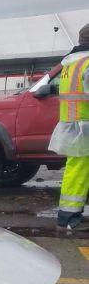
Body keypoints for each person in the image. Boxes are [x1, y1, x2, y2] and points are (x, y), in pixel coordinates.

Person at [51, 23, 89, 234]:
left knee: (76, 172)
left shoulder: (71, 64)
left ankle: (68, 216)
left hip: (76, 126)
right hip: (85, 126)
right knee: (78, 172)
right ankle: (70, 220)